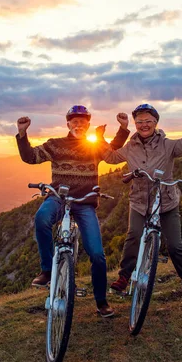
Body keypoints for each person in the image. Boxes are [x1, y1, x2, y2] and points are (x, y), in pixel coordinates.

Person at [16, 105, 130, 318]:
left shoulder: (94, 147)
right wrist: (22, 134)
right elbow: (31, 157)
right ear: (67, 124)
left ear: (88, 125)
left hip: (85, 202)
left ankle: (101, 301)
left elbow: (113, 153)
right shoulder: (55, 145)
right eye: (74, 121)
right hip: (58, 198)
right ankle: (48, 270)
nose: (78, 125)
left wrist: (123, 129)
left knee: (97, 254)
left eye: (83, 122)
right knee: (41, 219)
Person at [102, 103, 182, 299]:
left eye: (148, 121)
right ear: (135, 124)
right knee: (133, 235)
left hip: (166, 202)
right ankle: (124, 277)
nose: (143, 125)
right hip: (139, 201)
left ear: (155, 122)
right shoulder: (130, 147)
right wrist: (103, 138)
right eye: (139, 121)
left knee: (175, 245)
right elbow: (110, 157)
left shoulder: (167, 145)